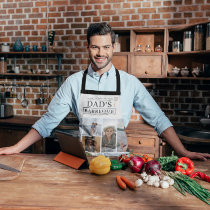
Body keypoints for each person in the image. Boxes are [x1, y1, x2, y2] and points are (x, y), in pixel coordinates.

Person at [0, 22, 209, 160]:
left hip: (119, 162)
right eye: (95, 47)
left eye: (106, 47)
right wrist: (16, 147)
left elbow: (158, 119)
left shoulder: (130, 83)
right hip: (83, 162)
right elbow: (48, 122)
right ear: (87, 47)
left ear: (114, 47)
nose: (101, 53)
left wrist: (182, 151)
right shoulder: (73, 83)